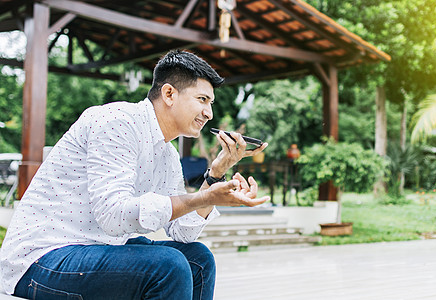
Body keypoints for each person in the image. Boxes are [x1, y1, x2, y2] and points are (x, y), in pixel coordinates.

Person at [0, 50, 269, 299]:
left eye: (210, 103)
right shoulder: (116, 121)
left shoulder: (167, 154)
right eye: (202, 100)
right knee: (168, 266)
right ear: (169, 94)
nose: (209, 113)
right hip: (40, 258)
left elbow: (182, 233)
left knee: (198, 258)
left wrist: (217, 173)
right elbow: (113, 216)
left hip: (96, 248)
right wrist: (202, 198)